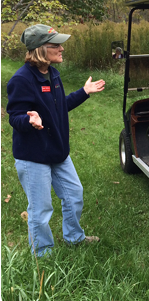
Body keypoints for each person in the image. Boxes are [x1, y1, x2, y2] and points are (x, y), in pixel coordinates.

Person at [6, 24, 106, 257]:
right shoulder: (21, 80)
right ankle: (43, 255)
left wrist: (84, 91)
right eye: (56, 45)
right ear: (40, 49)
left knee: (74, 194)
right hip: (33, 156)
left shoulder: (52, 73)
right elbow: (15, 117)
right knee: (41, 209)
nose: (62, 48)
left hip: (57, 151)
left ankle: (74, 237)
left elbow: (60, 105)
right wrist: (29, 119)